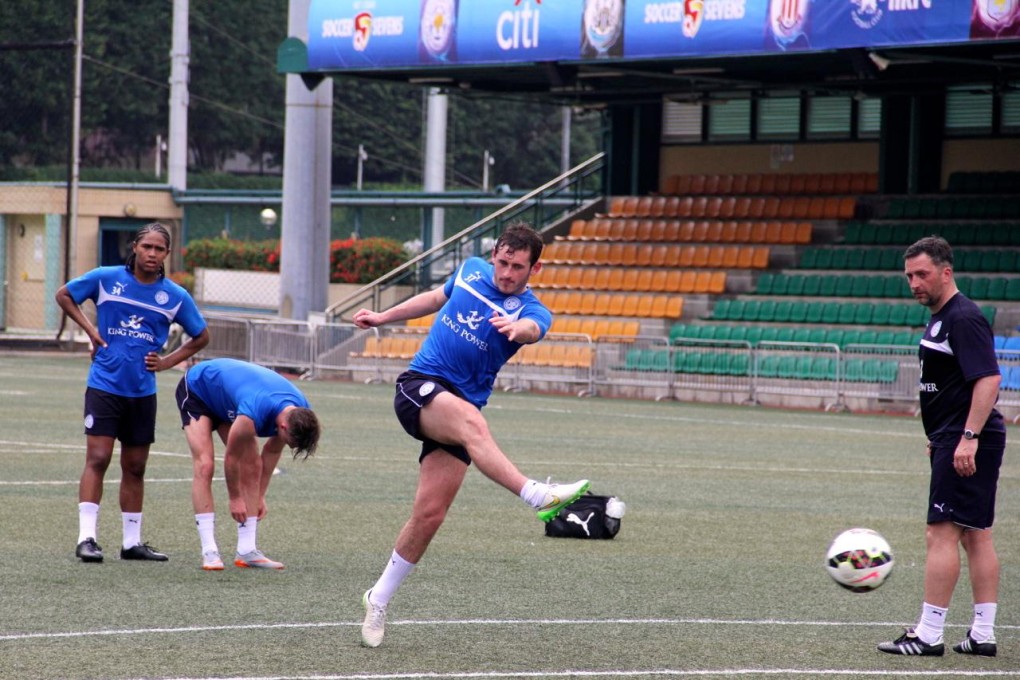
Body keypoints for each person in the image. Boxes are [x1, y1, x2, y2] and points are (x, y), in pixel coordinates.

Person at [352, 222, 590, 648]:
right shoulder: (471, 269)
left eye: (517, 267)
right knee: (473, 425)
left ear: (534, 268)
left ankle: (378, 597)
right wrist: (383, 317)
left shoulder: (533, 311)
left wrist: (519, 331)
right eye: (502, 262)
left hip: (460, 410)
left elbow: (534, 330)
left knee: (429, 515)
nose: (506, 274)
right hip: (420, 386)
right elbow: (436, 298)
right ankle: (536, 495)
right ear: (493, 255)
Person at [878, 236, 1004, 658]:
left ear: (946, 272)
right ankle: (982, 634)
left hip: (968, 438)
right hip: (956, 436)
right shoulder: (942, 317)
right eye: (909, 275)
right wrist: (941, 438)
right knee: (976, 535)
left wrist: (967, 437)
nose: (914, 282)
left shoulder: (962, 317)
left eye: (922, 274)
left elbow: (988, 378)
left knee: (941, 534)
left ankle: (928, 634)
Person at [55, 222, 210, 564]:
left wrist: (168, 361)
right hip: (105, 385)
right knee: (98, 459)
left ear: (167, 254)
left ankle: (131, 543)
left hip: (142, 391)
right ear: (135, 247)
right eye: (147, 247)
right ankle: (87, 539)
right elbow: (64, 294)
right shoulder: (106, 278)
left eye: (159, 249)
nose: (152, 254)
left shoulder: (174, 296)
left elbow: (201, 337)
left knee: (136, 466)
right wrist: (91, 330)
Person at [175, 358, 321, 571]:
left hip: (226, 398)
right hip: (199, 389)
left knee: (252, 464)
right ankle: (209, 551)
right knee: (205, 465)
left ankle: (247, 550)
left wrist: (259, 495)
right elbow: (232, 457)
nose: (288, 446)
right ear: (282, 426)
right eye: (290, 442)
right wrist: (236, 498)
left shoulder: (299, 412)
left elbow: (271, 452)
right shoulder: (253, 413)